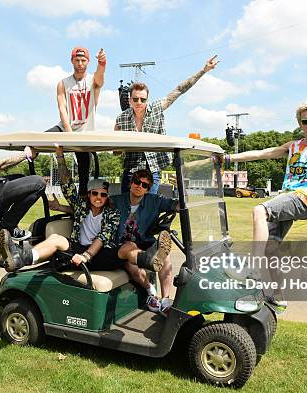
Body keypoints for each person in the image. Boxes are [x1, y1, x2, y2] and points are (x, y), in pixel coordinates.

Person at [227, 102, 307, 309]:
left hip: (306, 198)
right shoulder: (293, 146)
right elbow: (261, 153)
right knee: (271, 248)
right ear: (300, 123)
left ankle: (253, 268)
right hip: (288, 197)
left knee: (259, 210)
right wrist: (228, 157)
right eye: (306, 122)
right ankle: (278, 295)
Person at [0, 146, 169, 277]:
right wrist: (60, 157)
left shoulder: (112, 213)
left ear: (107, 196)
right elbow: (67, 187)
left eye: (103, 195)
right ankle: (19, 259)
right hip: (78, 248)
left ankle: (149, 260)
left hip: (100, 254)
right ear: (89, 195)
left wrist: (86, 256)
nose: (98, 197)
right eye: (95, 193)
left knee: (129, 246)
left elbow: (103, 237)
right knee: (56, 239)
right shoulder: (81, 207)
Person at [114, 56, 219, 194]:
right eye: (135, 99)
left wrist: (203, 70)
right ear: (130, 100)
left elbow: (180, 90)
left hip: (153, 169)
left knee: (151, 207)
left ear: (147, 99)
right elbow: (115, 151)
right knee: (125, 206)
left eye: (143, 99)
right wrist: (119, 146)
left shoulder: (157, 107)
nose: (139, 102)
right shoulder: (121, 119)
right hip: (131, 170)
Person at [112, 169, 178, 315]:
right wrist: (60, 207)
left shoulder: (154, 200)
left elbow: (179, 206)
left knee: (164, 256)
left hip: (144, 241)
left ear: (148, 189)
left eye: (144, 185)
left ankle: (166, 301)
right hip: (123, 246)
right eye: (137, 182)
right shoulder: (116, 200)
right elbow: (93, 208)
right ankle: (151, 293)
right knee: (129, 263)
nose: (139, 186)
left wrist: (180, 188)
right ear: (131, 183)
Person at [46, 46, 106, 195]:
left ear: (88, 62)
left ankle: (83, 205)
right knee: (38, 140)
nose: (80, 63)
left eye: (83, 60)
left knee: (84, 173)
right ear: (72, 61)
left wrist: (102, 63)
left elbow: (100, 77)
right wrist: (68, 132)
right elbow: (62, 108)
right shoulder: (63, 83)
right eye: (77, 60)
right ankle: (24, 155)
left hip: (85, 132)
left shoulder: (93, 80)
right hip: (66, 128)